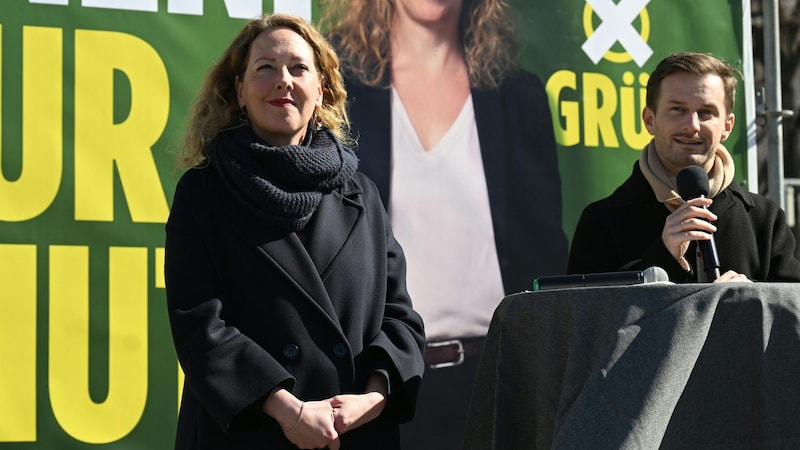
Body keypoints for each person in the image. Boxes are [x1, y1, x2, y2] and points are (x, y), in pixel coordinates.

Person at [164, 13, 425, 450]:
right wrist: (290, 412)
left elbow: (400, 318)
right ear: (240, 93)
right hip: (249, 435)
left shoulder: (361, 194)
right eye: (265, 68)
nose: (283, 80)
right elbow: (201, 328)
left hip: (354, 435)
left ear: (320, 90)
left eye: (298, 68)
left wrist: (373, 399)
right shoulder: (203, 194)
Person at [321, 1, 567, 448]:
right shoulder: (339, 89)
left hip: (499, 379)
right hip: (380, 382)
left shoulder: (517, 94)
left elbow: (545, 251)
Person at [568, 52, 800, 282]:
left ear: (727, 126)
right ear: (650, 120)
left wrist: (754, 300)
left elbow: (792, 313)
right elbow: (585, 314)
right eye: (677, 109)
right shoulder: (601, 223)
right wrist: (662, 259)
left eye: (706, 112)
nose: (692, 125)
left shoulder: (766, 221)